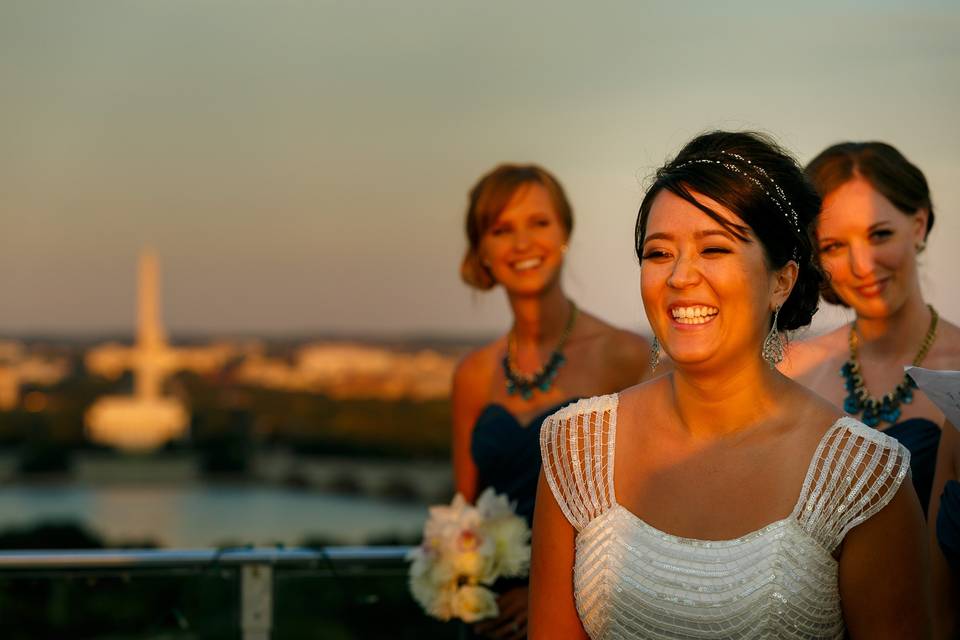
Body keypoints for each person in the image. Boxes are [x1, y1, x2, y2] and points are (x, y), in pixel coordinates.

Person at [530, 132, 931, 639]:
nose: (680, 276)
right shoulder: (576, 448)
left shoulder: (861, 476)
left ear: (782, 281)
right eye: (658, 254)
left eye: (714, 248)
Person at [453, 164, 649, 639]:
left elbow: (648, 507)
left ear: (564, 232)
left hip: (588, 615)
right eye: (502, 230)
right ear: (482, 251)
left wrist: (543, 591)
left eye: (539, 223)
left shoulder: (626, 356)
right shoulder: (473, 375)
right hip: (491, 622)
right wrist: (467, 588)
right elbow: (465, 512)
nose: (522, 244)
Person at [780, 142, 960, 520]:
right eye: (834, 245)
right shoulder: (790, 371)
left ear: (919, 224)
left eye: (879, 235)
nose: (863, 265)